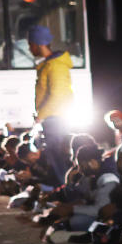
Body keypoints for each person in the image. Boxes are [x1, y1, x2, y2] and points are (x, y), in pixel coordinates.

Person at [28, 24, 74, 185]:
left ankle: (65, 191)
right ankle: (61, 191)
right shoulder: (49, 64)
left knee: (58, 158)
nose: (29, 48)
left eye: (30, 44)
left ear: (39, 44)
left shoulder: (55, 66)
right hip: (52, 118)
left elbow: (57, 95)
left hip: (56, 119)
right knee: (54, 158)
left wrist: (41, 115)